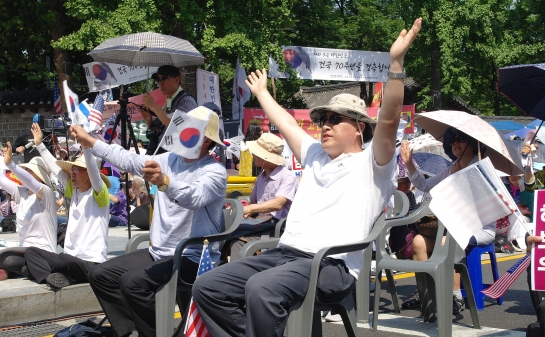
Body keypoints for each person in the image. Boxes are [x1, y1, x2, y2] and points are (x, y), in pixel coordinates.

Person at [191, 18, 422, 337]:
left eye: (334, 119)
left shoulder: (373, 163)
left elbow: (391, 116)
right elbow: (284, 122)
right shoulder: (314, 154)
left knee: (261, 289)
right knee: (207, 287)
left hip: (332, 266)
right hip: (285, 255)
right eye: (323, 118)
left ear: (359, 128)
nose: (325, 124)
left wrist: (395, 64)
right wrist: (260, 92)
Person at [70, 105, 227, 337]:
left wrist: (164, 181)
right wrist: (91, 142)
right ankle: (134, 330)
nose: (181, 132)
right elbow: (130, 160)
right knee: (100, 275)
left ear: (205, 140)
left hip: (191, 256)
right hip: (160, 251)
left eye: (189, 129)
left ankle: (153, 333)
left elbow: (193, 196)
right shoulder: (168, 158)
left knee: (133, 283)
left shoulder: (214, 171)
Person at [400, 129, 498, 314]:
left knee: (447, 241)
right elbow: (424, 185)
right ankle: (425, 293)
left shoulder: (484, 168)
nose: (455, 143)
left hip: (478, 228)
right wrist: (408, 163)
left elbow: (490, 203)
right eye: (452, 140)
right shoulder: (452, 168)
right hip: (451, 227)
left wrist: (464, 178)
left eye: (460, 139)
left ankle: (455, 296)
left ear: (473, 142)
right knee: (419, 242)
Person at [23, 123, 111, 289]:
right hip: (70, 258)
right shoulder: (74, 190)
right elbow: (55, 168)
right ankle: (49, 277)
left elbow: (93, 172)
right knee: (31, 252)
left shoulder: (99, 193)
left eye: (79, 169)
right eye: (73, 169)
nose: (73, 172)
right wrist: (40, 144)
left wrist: (86, 147)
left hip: (91, 264)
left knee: (64, 259)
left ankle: (43, 271)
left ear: (89, 175)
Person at [0, 139, 58, 282]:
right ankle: (1, 269)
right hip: (23, 249)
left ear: (40, 176)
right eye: (25, 170)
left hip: (41, 254)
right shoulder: (21, 192)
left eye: (29, 171)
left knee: (8, 260)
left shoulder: (46, 193)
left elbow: (30, 181)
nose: (25, 173)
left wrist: (11, 164)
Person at [226, 132, 298, 261]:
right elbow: (253, 202)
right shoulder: (261, 177)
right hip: (259, 223)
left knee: (236, 240)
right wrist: (247, 211)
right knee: (225, 232)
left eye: (256, 153)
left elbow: (278, 203)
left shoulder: (287, 176)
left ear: (266, 157)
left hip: (275, 227)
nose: (253, 155)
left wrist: (251, 209)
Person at [141, 65, 198, 154]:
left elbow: (176, 125)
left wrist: (154, 106)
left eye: (164, 79)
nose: (160, 83)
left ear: (177, 80)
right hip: (163, 154)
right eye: (158, 80)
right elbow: (159, 129)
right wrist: (148, 120)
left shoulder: (187, 101)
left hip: (176, 157)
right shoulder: (168, 103)